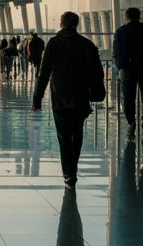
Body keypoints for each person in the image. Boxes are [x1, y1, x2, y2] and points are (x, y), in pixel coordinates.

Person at [33, 10, 105, 187]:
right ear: (76, 24)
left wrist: (37, 97)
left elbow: (44, 73)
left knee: (64, 137)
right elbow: (98, 71)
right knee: (77, 133)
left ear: (61, 24)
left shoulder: (54, 43)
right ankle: (72, 168)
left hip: (60, 96)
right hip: (81, 96)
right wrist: (97, 91)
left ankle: (69, 174)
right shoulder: (87, 44)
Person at [113, 7, 143, 139]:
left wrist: (119, 65)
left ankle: (131, 123)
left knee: (128, 98)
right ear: (139, 16)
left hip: (128, 69)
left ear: (126, 17)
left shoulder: (121, 31)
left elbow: (116, 51)